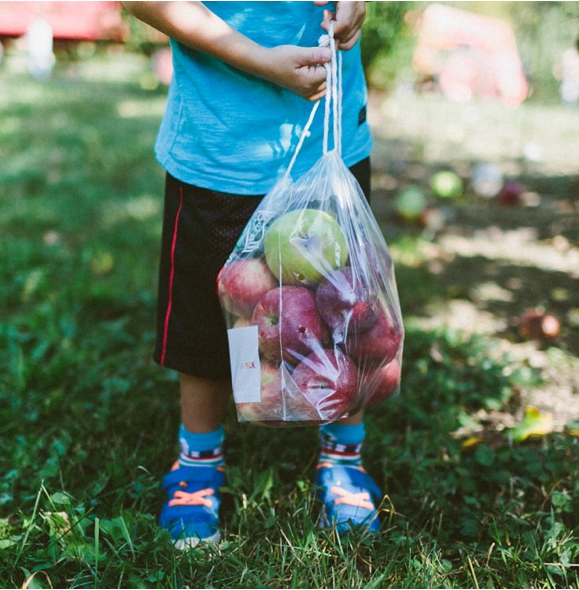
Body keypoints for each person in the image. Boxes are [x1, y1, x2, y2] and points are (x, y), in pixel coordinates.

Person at [124, 1, 380, 549]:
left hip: (331, 132)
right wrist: (259, 60)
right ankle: (198, 460)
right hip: (222, 143)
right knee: (210, 314)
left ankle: (344, 454)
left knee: (347, 307)